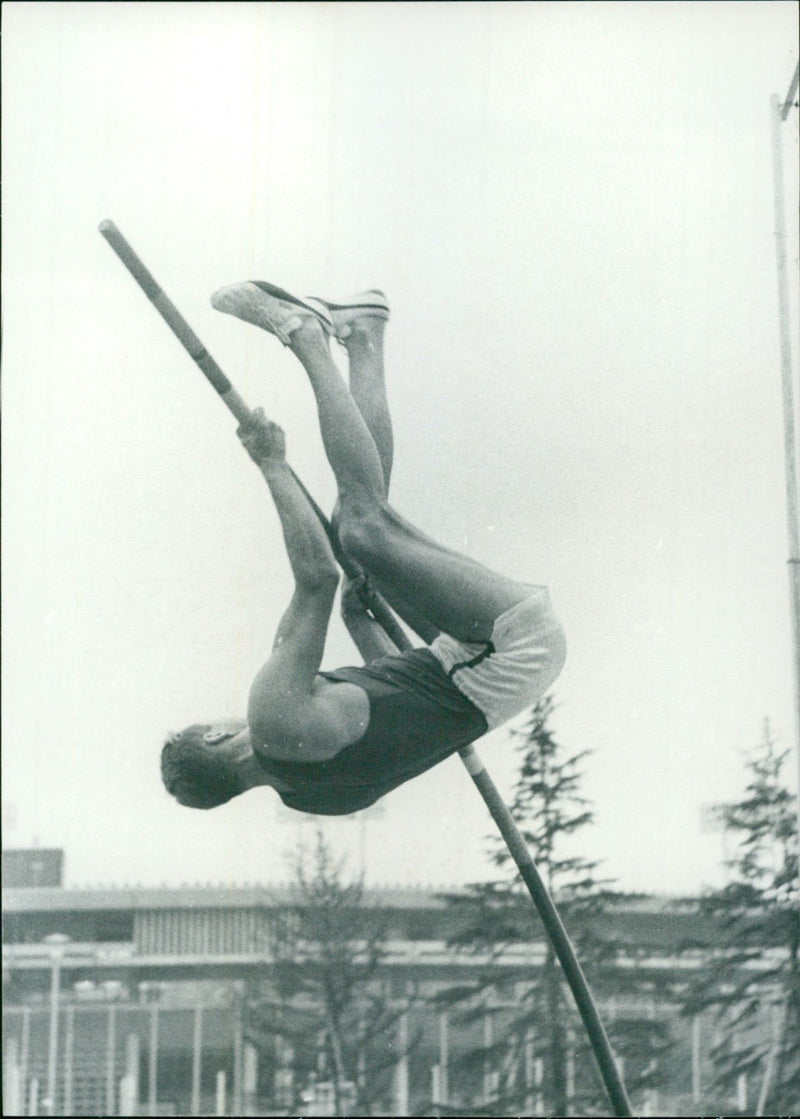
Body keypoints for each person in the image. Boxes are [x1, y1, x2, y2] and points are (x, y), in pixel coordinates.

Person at [160, 281, 566, 815]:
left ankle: (363, 338)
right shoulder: (273, 717)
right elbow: (316, 578)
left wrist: (361, 626)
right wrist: (272, 464)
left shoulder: (318, 799)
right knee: (359, 529)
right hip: (503, 650)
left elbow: (409, 700)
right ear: (213, 738)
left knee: (365, 525)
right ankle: (304, 334)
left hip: (477, 670)